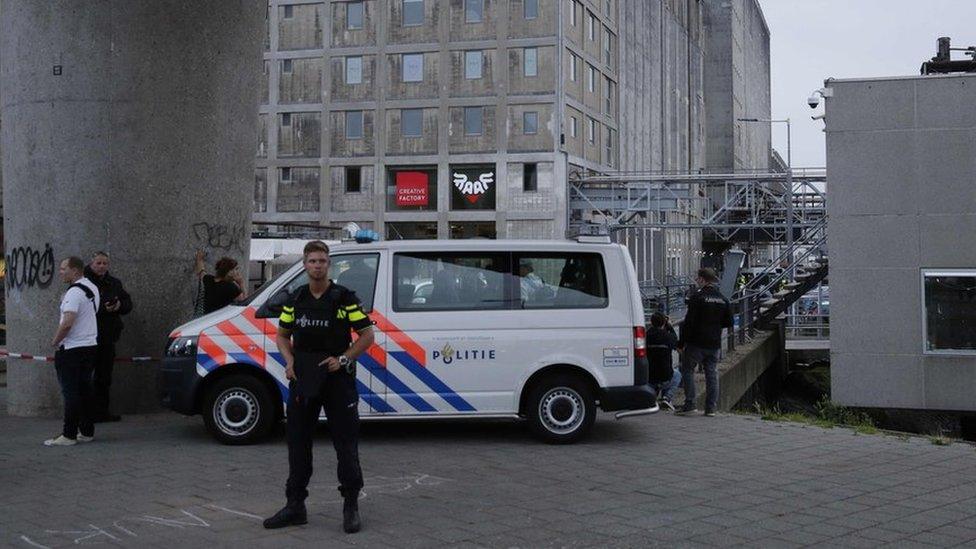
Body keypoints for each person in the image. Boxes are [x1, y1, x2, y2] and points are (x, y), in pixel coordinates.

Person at [264, 241, 375, 534]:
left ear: (329, 265)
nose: (317, 265)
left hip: (337, 380)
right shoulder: (295, 298)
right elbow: (282, 335)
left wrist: (344, 359)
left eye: (322, 261)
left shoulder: (343, 298)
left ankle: (351, 505)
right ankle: (295, 506)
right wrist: (288, 362)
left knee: (346, 446)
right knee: (298, 445)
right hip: (304, 379)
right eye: (312, 261)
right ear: (304, 265)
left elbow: (367, 335)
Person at [45, 257, 100, 446]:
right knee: (85, 390)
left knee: (71, 392)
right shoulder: (92, 288)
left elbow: (68, 322)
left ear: (75, 271)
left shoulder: (74, 293)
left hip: (72, 349)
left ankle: (68, 435)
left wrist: (55, 341)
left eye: (63, 269)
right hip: (89, 346)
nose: (60, 272)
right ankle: (86, 432)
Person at [677, 268, 734, 417]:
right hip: (714, 343)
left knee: (688, 370)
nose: (696, 281)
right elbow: (729, 322)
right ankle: (711, 408)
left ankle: (690, 404)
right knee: (712, 373)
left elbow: (689, 322)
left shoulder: (697, 297)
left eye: (698, 278)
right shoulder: (723, 299)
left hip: (696, 342)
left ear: (703, 279)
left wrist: (681, 343)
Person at [84, 251, 133, 423]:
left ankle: (101, 412)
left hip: (107, 336)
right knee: (85, 377)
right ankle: (86, 412)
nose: (102, 266)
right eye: (99, 263)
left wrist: (118, 305)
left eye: (105, 263)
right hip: (87, 336)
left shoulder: (113, 283)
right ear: (92, 263)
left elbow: (128, 304)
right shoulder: (84, 283)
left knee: (104, 377)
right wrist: (103, 309)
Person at [646, 312, 681, 411]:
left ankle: (652, 396)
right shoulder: (667, 336)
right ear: (664, 323)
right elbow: (675, 340)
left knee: (655, 379)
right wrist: (669, 326)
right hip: (665, 376)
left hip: (649, 377)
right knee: (677, 375)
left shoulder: (646, 336)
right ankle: (667, 398)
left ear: (651, 323)